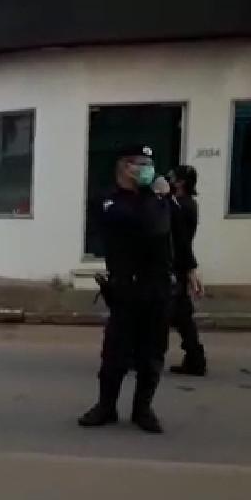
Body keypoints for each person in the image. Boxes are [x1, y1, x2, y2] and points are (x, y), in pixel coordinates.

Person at [80, 144, 174, 434]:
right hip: (126, 289)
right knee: (115, 355)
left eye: (150, 162)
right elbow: (148, 226)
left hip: (157, 288)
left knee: (152, 354)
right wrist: (156, 197)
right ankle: (106, 407)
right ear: (125, 167)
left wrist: (189, 267)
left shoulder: (159, 200)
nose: (149, 169)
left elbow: (174, 233)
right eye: (142, 163)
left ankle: (142, 410)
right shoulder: (108, 201)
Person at [167, 165, 206, 376]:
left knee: (171, 314)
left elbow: (181, 241)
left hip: (176, 266)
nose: (169, 179)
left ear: (181, 182)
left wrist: (190, 269)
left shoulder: (181, 206)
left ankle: (195, 359)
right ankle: (195, 358)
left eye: (173, 177)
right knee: (181, 316)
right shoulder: (187, 204)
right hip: (180, 265)